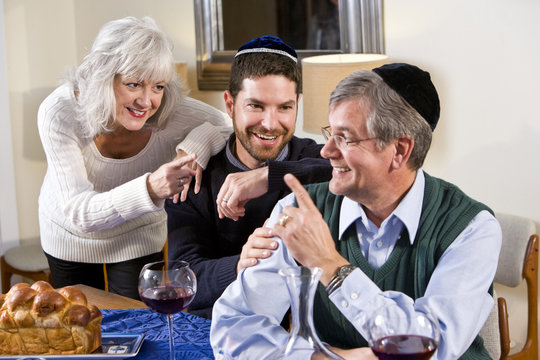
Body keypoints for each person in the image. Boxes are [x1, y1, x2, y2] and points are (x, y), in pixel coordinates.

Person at [210, 63, 502, 359]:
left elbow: (428, 349)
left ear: (399, 150)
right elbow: (232, 328)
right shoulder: (297, 211)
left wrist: (328, 263)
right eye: (330, 133)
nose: (327, 152)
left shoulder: (472, 227)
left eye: (345, 138)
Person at [38, 16, 231, 299]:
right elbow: (79, 212)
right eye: (133, 84)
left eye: (158, 86)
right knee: (78, 326)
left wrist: (194, 147)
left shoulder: (172, 110)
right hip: (69, 235)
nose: (147, 101)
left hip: (136, 235)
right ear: (102, 77)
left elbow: (228, 127)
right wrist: (151, 187)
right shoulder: (59, 112)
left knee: (136, 325)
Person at [165, 36, 332, 319]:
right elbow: (184, 279)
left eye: (284, 107)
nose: (270, 123)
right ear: (230, 105)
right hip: (223, 328)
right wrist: (240, 264)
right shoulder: (195, 179)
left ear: (298, 104)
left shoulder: (315, 159)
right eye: (256, 106)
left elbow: (362, 170)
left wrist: (270, 176)